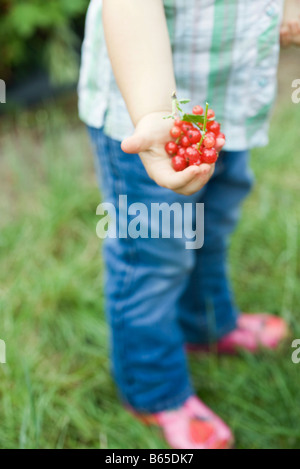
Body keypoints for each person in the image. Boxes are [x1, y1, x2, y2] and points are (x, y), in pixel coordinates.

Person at [78, 0, 295, 449]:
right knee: (154, 259)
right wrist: (156, 113)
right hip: (148, 122)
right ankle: (153, 390)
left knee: (210, 227)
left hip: (225, 105)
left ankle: (207, 323)